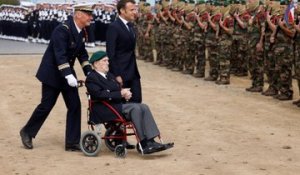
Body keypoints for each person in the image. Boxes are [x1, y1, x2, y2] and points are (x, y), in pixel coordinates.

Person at [19, 4, 93, 151]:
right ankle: (27, 131)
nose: (91, 17)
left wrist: (89, 72)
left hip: (66, 74)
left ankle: (72, 142)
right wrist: (69, 76)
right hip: (52, 74)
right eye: (88, 14)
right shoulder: (62, 30)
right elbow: (60, 55)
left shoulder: (81, 31)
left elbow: (82, 55)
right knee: (46, 106)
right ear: (78, 14)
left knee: (74, 106)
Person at [85, 51, 174, 154]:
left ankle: (151, 140)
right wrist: (120, 94)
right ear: (96, 63)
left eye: (107, 60)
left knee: (144, 106)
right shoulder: (92, 78)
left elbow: (116, 89)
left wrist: (125, 93)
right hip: (103, 109)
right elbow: (99, 95)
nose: (108, 63)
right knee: (135, 108)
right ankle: (143, 143)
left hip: (115, 106)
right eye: (104, 61)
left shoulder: (109, 75)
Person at [106, 0, 142, 103]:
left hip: (133, 72)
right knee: (123, 106)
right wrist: (116, 75)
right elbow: (111, 53)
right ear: (122, 10)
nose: (135, 12)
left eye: (135, 9)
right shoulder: (114, 27)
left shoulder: (131, 26)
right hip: (121, 73)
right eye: (131, 10)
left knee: (137, 102)